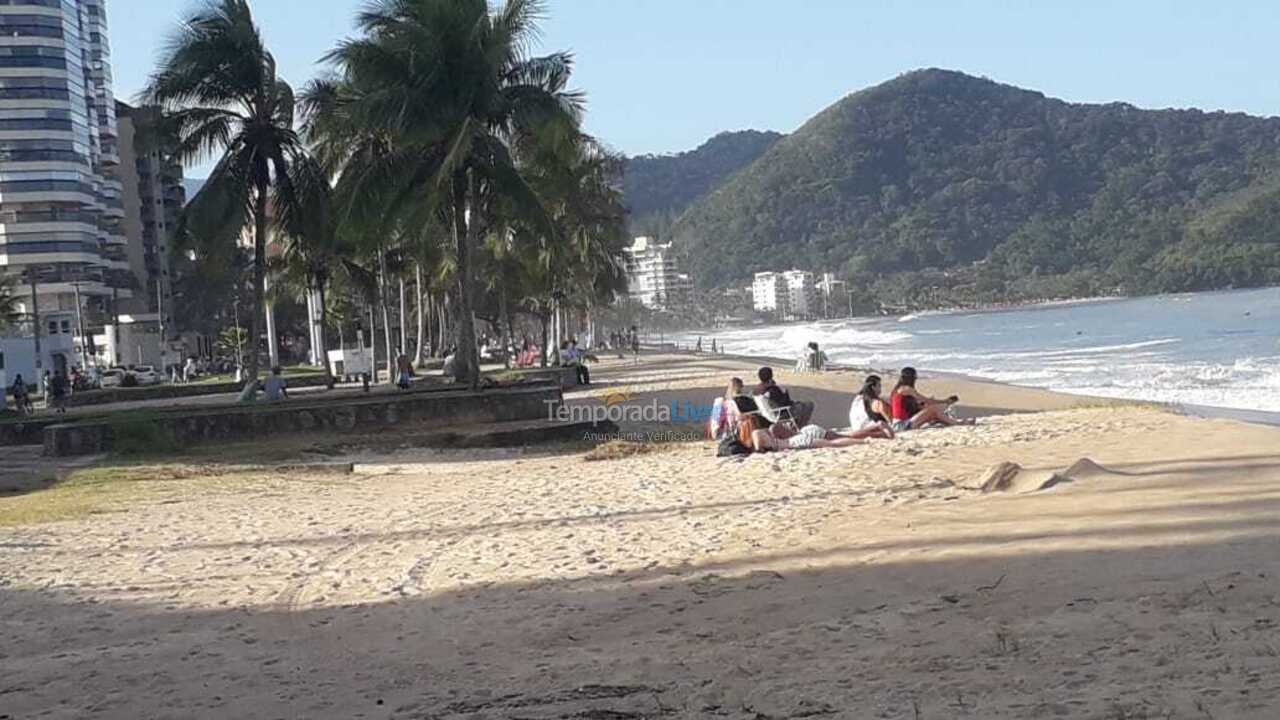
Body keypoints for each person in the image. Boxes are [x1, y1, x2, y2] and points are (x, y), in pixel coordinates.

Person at [889, 367, 974, 431]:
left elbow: (919, 404)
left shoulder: (899, 389)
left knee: (934, 413)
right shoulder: (906, 389)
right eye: (915, 376)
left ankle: (955, 422)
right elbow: (926, 400)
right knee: (933, 409)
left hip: (904, 423)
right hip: (901, 425)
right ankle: (958, 423)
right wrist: (946, 401)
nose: (916, 378)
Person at [751, 422, 890, 452]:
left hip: (798, 440)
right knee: (838, 439)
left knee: (834, 442)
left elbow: (759, 451)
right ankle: (873, 434)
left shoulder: (757, 434)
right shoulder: (770, 430)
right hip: (802, 435)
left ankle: (866, 439)